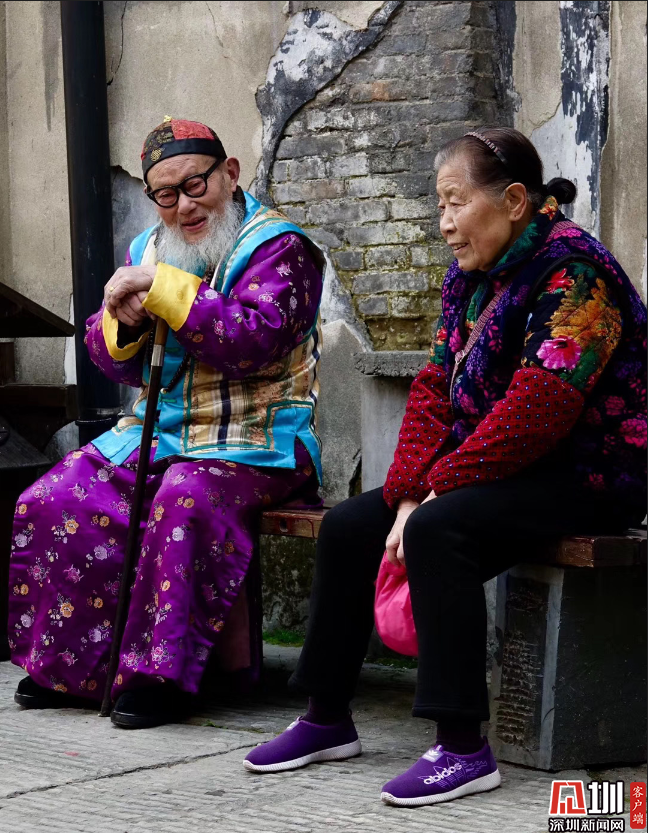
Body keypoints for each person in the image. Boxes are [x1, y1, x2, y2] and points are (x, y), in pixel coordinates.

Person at [244, 127, 647, 806]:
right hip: (502, 467)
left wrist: (436, 494)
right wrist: (407, 492)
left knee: (439, 530)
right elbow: (434, 387)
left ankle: (462, 747)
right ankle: (325, 716)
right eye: (440, 206)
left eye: (456, 203)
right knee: (351, 526)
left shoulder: (577, 274)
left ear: (513, 201)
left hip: (590, 475)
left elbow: (540, 408)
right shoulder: (469, 275)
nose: (445, 224)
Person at [8, 117, 324, 728]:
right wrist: (122, 321)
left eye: (195, 184)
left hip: (260, 441)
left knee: (183, 498)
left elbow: (251, 342)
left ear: (229, 174)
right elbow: (115, 363)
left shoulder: (281, 248)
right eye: (165, 194)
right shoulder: (147, 249)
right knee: (56, 495)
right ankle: (75, 668)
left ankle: (161, 677)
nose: (184, 206)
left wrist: (166, 291)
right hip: (161, 433)